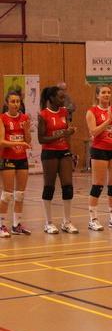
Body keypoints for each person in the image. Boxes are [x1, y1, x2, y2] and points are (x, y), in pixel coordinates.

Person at [86, 85, 112, 231]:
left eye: (109, 92)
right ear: (97, 95)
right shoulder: (92, 111)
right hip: (99, 150)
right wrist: (108, 121)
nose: (106, 94)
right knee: (97, 185)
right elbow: (93, 132)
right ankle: (93, 219)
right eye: (103, 92)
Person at [38, 86, 78, 234]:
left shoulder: (64, 112)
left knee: (68, 187)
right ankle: (48, 223)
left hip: (64, 151)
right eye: (61, 97)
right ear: (51, 98)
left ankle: (66, 222)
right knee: (49, 187)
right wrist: (62, 134)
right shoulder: (43, 115)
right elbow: (41, 139)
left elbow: (66, 133)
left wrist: (70, 149)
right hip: (49, 153)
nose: (63, 100)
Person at [0, 91, 31, 238]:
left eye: (18, 101)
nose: (16, 104)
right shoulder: (2, 118)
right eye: (12, 101)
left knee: (20, 194)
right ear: (7, 103)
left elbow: (28, 140)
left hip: (22, 159)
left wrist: (26, 130)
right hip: (8, 159)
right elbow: (1, 142)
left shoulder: (24, 118)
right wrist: (19, 143)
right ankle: (1, 225)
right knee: (7, 194)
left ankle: (16, 225)